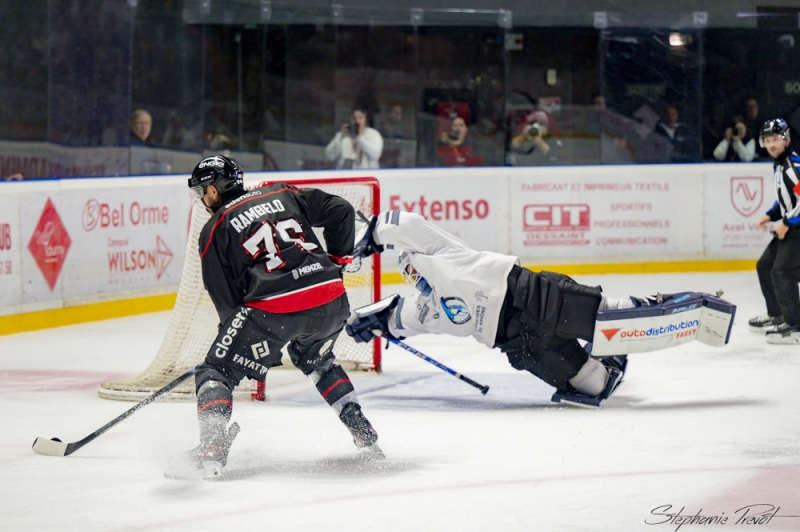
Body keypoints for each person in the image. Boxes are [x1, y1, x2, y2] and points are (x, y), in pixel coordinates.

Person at [346, 211, 735, 408]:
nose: (415, 275)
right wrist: (371, 322)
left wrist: (372, 233)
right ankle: (611, 352)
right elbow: (397, 318)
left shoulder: (445, 253)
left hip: (531, 296)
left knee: (612, 316)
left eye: (414, 267)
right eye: (410, 275)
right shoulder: (425, 309)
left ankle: (680, 305)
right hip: (523, 344)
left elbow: (406, 223)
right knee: (595, 388)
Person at [173, 155, 382, 478]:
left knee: (216, 370)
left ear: (214, 191)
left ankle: (212, 447)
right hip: (332, 298)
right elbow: (341, 210)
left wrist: (245, 351)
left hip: (276, 308)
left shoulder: (214, 229)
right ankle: (362, 431)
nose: (202, 199)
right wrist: (337, 263)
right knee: (318, 360)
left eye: (203, 191)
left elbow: (229, 305)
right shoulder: (281, 192)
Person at [748, 118, 800, 344]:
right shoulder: (780, 164)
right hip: (791, 226)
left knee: (782, 272)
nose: (771, 144)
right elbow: (786, 200)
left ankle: (795, 326)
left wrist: (787, 223)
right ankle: (778, 314)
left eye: (776, 139)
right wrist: (771, 215)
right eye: (767, 140)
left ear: (787, 139)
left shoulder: (793, 167)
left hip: (797, 228)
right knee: (765, 266)